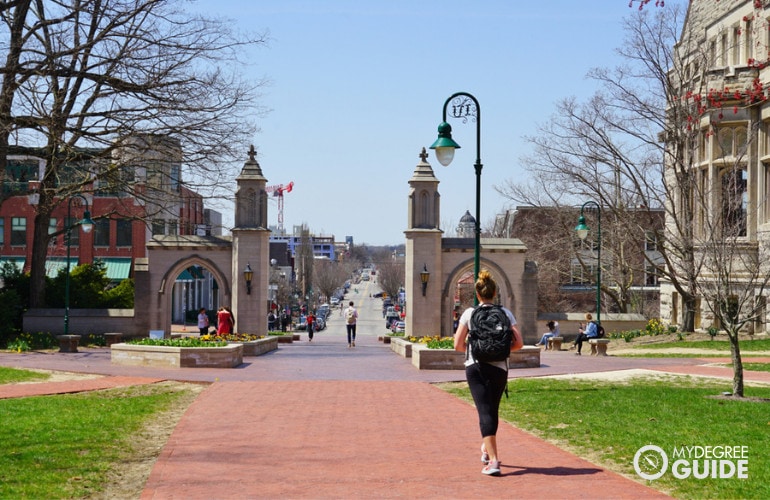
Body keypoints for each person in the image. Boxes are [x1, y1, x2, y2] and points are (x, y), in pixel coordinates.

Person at [454, 269, 523, 476]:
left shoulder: (469, 313)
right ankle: (486, 447)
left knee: (484, 412)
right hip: (499, 367)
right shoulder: (505, 313)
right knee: (492, 410)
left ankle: (493, 461)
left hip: (476, 366)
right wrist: (500, 351)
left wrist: (476, 348)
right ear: (495, 293)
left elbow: (457, 345)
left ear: (477, 294)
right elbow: (519, 343)